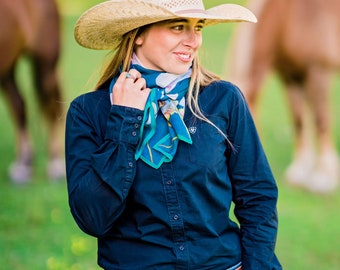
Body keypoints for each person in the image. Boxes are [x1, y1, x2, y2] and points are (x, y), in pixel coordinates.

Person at [65, 0, 282, 269]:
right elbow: (92, 218)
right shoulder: (89, 111)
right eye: (178, 27)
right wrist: (124, 120)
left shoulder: (223, 99)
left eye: (198, 27)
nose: (193, 41)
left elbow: (257, 197)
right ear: (138, 33)